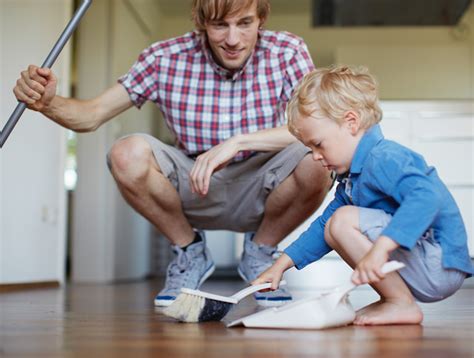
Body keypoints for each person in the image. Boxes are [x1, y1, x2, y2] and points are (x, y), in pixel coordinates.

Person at [13, 0, 332, 307]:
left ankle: (261, 251)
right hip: (195, 185)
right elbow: (91, 114)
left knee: (317, 158)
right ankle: (189, 250)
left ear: (261, 19)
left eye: (244, 23)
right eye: (220, 25)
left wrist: (238, 141)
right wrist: (47, 103)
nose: (233, 39)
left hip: (265, 186)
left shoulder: (288, 50)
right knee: (125, 153)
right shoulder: (163, 58)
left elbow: (318, 125)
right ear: (201, 22)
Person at [253, 65, 473, 324]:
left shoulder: (383, 157)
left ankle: (399, 302)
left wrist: (381, 248)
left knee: (343, 220)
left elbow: (427, 198)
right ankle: (396, 299)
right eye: (309, 147)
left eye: (319, 144)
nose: (314, 155)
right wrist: (280, 266)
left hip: (439, 262)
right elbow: (324, 226)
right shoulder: (352, 179)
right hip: (424, 263)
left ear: (351, 123)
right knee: (333, 225)